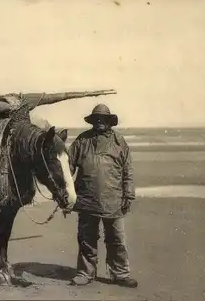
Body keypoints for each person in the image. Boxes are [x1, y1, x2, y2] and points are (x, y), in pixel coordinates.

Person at [67, 103, 138, 288]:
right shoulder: (81, 141)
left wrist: (128, 195)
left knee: (116, 239)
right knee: (86, 238)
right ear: (92, 121)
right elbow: (67, 169)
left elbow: (128, 170)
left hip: (113, 200)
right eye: (96, 118)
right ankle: (85, 273)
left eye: (103, 119)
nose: (100, 122)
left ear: (109, 121)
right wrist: (64, 193)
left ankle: (120, 274)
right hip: (86, 199)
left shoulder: (119, 141)